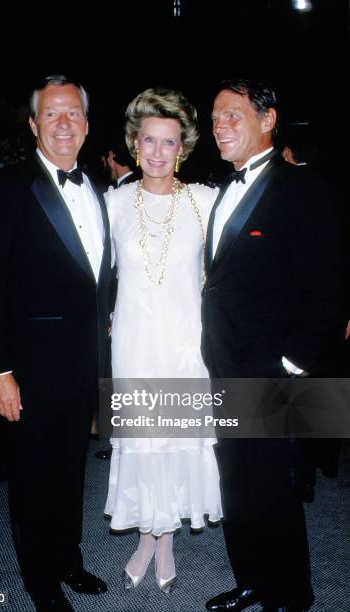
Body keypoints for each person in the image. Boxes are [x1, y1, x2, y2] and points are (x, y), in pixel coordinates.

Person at [0, 75, 111, 612]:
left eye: (73, 113)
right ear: (33, 124)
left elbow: (95, 277)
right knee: (32, 481)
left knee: (71, 472)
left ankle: (68, 560)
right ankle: (40, 581)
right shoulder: (7, 187)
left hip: (82, 365)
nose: (63, 123)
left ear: (87, 123)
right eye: (51, 114)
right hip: (26, 371)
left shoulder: (96, 184)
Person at [202, 79, 342, 612]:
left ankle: (290, 597)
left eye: (233, 115)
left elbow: (328, 286)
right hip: (223, 363)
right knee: (237, 481)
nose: (220, 126)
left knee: (276, 488)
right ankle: (253, 580)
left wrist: (290, 363)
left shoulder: (303, 189)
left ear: (268, 119)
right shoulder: (222, 188)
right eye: (215, 118)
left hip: (271, 369)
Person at [104, 87, 222, 594]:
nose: (156, 152)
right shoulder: (110, 203)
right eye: (148, 140)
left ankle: (165, 539)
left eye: (168, 142)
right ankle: (146, 537)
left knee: (174, 439)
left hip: (184, 344)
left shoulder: (204, 202)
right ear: (134, 143)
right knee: (142, 440)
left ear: (184, 148)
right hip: (132, 341)